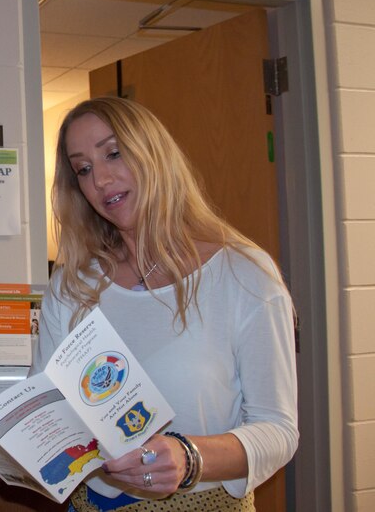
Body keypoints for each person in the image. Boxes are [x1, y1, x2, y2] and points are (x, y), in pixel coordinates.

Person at [34, 96, 298, 511]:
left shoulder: (243, 275)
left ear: (154, 154)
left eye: (114, 153)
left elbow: (278, 430)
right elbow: (48, 412)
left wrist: (189, 457)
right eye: (83, 169)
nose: (100, 180)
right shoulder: (71, 286)